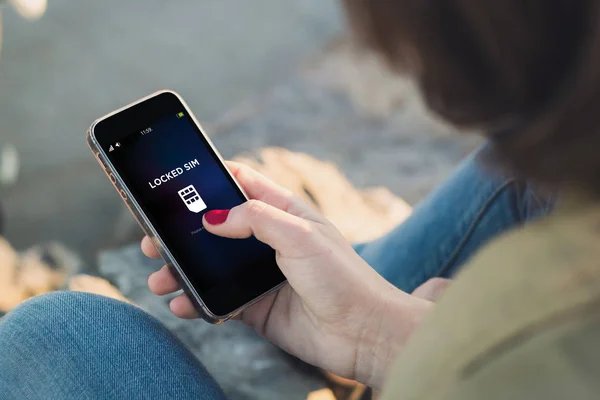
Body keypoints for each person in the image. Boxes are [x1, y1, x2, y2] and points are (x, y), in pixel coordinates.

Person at [0, 1, 597, 399]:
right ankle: (355, 285)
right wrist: (382, 335)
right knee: (520, 168)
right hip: (406, 338)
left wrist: (436, 354)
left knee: (54, 331)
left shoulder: (509, 360)